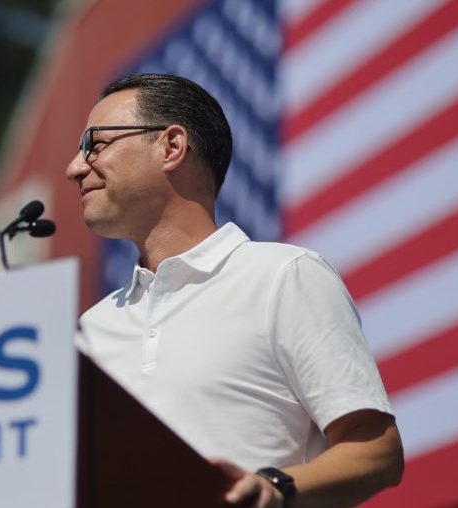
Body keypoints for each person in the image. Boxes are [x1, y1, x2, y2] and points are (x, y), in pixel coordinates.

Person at [67, 74, 403, 508]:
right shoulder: (91, 328)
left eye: (95, 143)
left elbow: (378, 452)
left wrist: (274, 487)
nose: (74, 168)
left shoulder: (283, 276)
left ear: (171, 147)